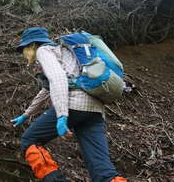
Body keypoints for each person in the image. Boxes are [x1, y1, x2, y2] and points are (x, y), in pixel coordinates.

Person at [11, 27, 127, 182]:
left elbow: (58, 79)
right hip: (95, 111)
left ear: (32, 46)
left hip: (74, 105)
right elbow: (47, 89)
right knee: (101, 168)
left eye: (23, 49)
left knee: (30, 140)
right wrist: (26, 114)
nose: (23, 55)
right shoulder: (65, 54)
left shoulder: (43, 51)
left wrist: (62, 115)